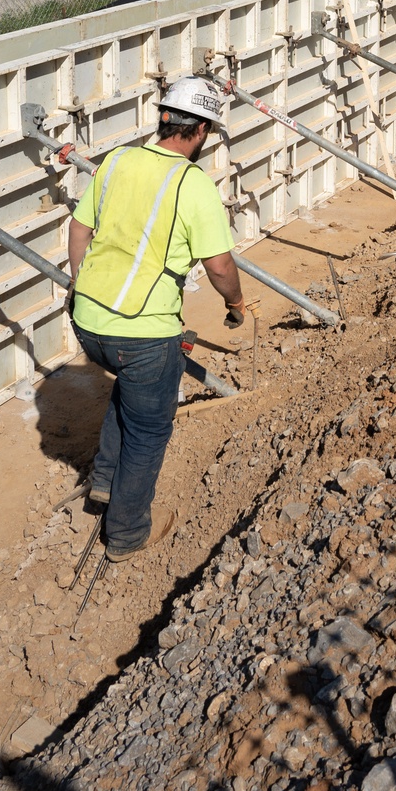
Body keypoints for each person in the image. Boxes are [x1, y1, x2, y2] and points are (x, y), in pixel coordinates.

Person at [67, 77, 245, 562]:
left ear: (163, 117)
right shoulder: (194, 185)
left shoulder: (119, 159)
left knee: (130, 390)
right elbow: (221, 268)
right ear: (202, 129)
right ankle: (125, 534)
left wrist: (80, 282)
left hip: (88, 323)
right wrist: (236, 306)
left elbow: (79, 225)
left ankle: (104, 480)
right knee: (149, 428)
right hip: (143, 334)